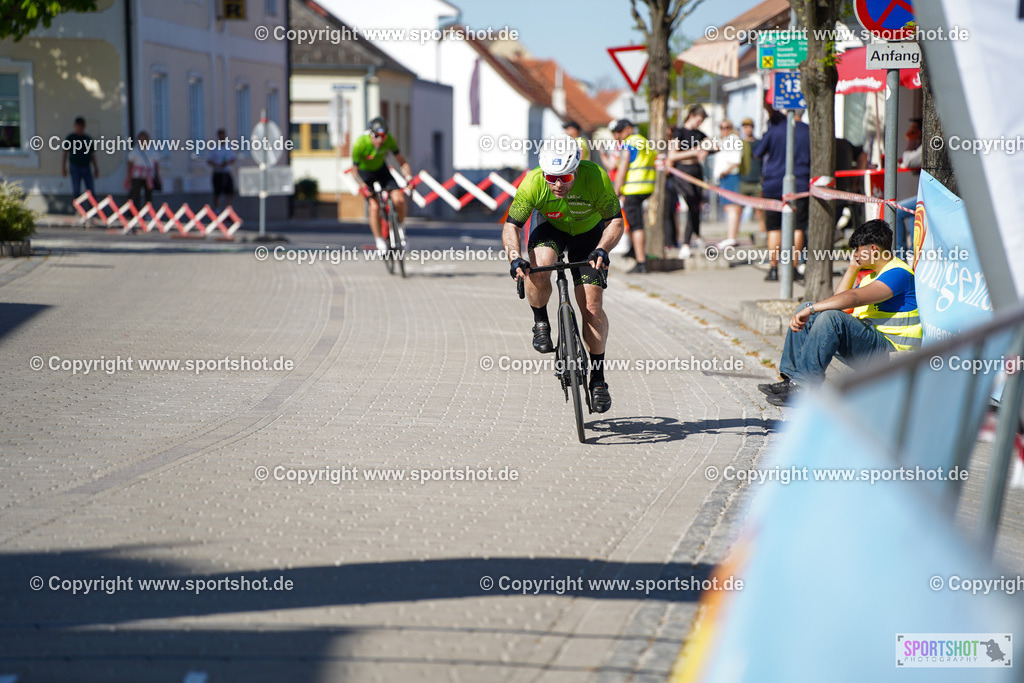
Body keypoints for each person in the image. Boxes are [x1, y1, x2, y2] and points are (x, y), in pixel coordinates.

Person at [502, 137, 624, 413]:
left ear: (578, 168)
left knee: (592, 307)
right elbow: (512, 227)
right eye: (552, 177)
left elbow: (615, 221)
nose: (557, 184)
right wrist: (514, 258)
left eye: (565, 177)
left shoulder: (595, 177)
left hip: (588, 235)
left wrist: (603, 249)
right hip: (551, 228)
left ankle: (598, 380)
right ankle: (541, 321)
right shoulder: (533, 182)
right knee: (539, 267)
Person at [758, 219, 922, 406]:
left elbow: (853, 298)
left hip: (892, 354)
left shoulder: (898, 273)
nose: (856, 255)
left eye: (858, 250)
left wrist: (811, 309)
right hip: (873, 345)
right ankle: (792, 381)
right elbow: (840, 304)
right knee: (813, 311)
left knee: (828, 316)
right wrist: (852, 268)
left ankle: (803, 389)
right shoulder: (872, 275)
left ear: (874, 250)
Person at [755, 105, 809, 281]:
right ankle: (792, 268)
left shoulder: (776, 130)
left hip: (773, 184)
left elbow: (758, 152)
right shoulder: (809, 131)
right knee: (798, 227)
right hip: (800, 185)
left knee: (774, 227)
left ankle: (773, 268)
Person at [352, 116, 412, 253]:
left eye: (383, 136)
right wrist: (363, 187)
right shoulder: (360, 144)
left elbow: (402, 162)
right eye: (377, 136)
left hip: (381, 170)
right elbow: (354, 172)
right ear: (371, 134)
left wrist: (408, 178)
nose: (380, 140)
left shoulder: (389, 140)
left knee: (399, 200)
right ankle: (379, 240)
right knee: (374, 207)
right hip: (365, 173)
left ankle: (401, 231)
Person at [610, 119, 655, 273]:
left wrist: (615, 192)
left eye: (620, 132)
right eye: (615, 133)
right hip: (647, 186)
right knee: (637, 223)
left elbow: (622, 169)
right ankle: (634, 251)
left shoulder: (627, 145)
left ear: (629, 129)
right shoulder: (644, 141)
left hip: (633, 188)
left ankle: (641, 262)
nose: (617, 136)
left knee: (636, 226)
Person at [666, 105, 710, 258]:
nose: (700, 123)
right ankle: (685, 243)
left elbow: (713, 145)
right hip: (682, 172)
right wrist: (693, 151)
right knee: (691, 205)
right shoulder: (679, 133)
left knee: (697, 207)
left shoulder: (700, 134)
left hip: (697, 171)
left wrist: (707, 149)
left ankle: (697, 236)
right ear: (691, 115)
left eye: (702, 121)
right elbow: (672, 156)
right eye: (699, 119)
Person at [711, 119, 743, 249]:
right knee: (728, 208)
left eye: (727, 127)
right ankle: (730, 236)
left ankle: (732, 237)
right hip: (725, 177)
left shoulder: (734, 139)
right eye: (721, 127)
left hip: (730, 176)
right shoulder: (725, 140)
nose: (724, 130)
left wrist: (724, 172)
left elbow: (736, 161)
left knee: (731, 208)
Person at [896, 118, 923, 257]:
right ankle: (913, 256)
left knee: (897, 210)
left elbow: (909, 161)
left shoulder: (929, 144)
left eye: (914, 129)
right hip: (926, 194)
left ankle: (900, 258)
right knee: (912, 213)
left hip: (930, 196)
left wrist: (911, 140)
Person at [737, 117, 766, 236]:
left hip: (756, 181)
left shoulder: (759, 143)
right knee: (738, 209)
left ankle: (763, 233)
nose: (747, 129)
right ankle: (734, 234)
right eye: (745, 126)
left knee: (760, 210)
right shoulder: (739, 144)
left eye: (749, 126)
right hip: (743, 181)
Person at [62, 117, 99, 199]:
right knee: (76, 190)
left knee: (91, 190)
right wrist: (63, 168)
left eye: (82, 126)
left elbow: (92, 154)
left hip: (86, 167)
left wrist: (96, 168)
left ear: (84, 126)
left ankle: (92, 209)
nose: (80, 128)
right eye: (78, 126)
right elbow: (65, 153)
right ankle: (77, 210)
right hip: (75, 167)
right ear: (75, 126)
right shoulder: (70, 138)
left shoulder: (87, 138)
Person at [124, 130, 158, 208]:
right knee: (135, 195)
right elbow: (130, 163)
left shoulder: (152, 151)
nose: (143, 141)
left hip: (149, 176)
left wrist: (157, 175)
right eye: (141, 139)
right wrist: (129, 175)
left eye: (144, 139)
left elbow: (156, 163)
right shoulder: (135, 151)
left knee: (148, 195)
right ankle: (134, 212)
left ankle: (148, 212)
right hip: (137, 175)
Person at [206, 128, 237, 211]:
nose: (221, 137)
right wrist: (217, 164)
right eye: (220, 136)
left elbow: (233, 158)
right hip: (217, 172)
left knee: (229, 192)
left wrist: (226, 163)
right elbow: (209, 160)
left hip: (226, 172)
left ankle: (228, 209)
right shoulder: (214, 148)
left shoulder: (228, 147)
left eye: (223, 136)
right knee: (217, 193)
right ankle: (217, 210)